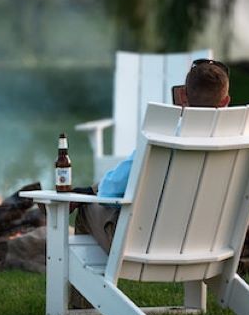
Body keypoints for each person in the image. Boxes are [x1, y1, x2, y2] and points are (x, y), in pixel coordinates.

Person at [74, 59, 231, 255]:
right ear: (225, 101)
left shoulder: (164, 135)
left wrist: (94, 193)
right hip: (208, 243)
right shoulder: (235, 139)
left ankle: (94, 282)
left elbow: (108, 192)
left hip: (147, 245)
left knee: (87, 208)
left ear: (183, 96)